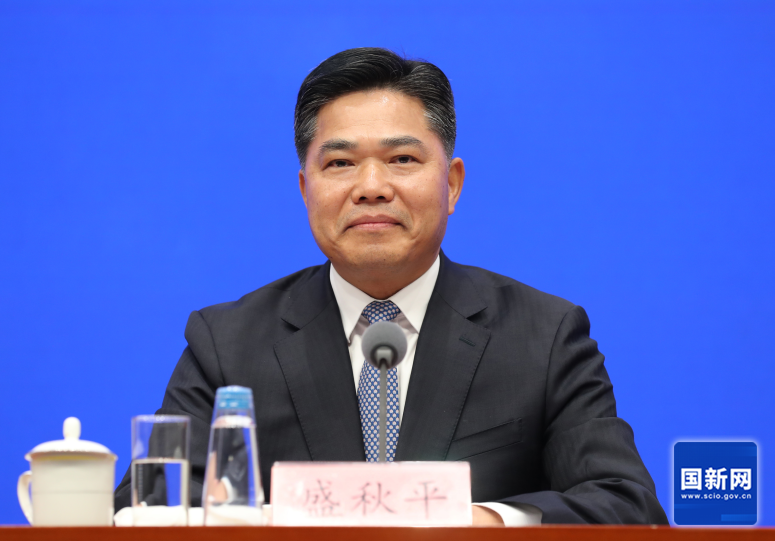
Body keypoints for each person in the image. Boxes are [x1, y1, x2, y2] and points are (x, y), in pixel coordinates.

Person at [115, 47, 668, 525]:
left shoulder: (543, 336)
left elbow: (626, 503)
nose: (372, 187)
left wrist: (486, 521)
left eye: (402, 159)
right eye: (341, 163)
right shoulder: (227, 343)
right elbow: (143, 510)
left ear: (452, 184)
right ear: (306, 189)